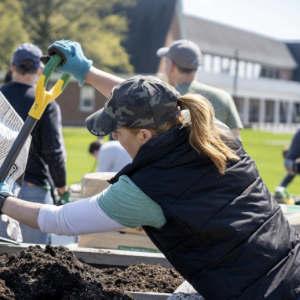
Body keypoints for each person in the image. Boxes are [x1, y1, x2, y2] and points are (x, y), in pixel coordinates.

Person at [0, 40, 300, 300]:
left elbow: (60, 221)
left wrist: (3, 200)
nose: (114, 137)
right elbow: (151, 101)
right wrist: (85, 71)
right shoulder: (211, 130)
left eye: (117, 131)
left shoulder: (146, 190)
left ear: (144, 136)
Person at [0, 43, 69, 244]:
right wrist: (62, 189)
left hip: (2, 187)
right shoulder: (45, 103)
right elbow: (52, 152)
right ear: (40, 70)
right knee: (35, 263)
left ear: (13, 66)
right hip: (31, 193)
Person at [157, 39, 243, 139]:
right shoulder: (224, 97)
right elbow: (236, 144)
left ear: (171, 66)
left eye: (166, 61)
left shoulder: (162, 99)